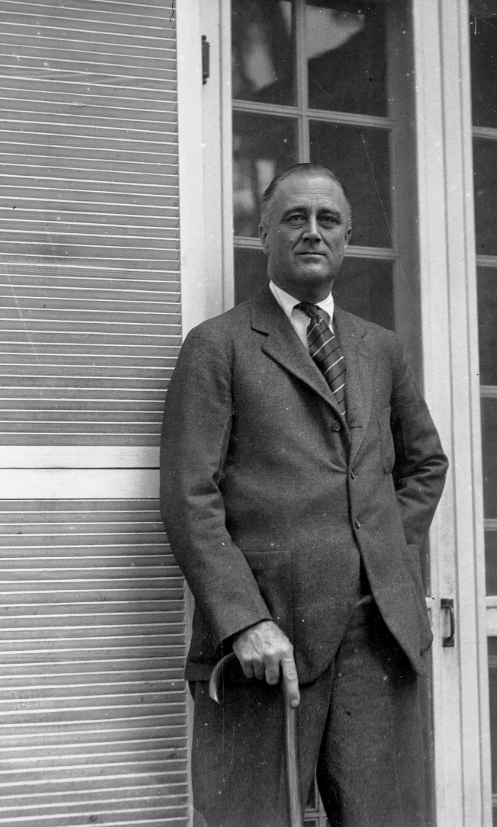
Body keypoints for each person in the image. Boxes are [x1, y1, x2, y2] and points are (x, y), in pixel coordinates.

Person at [160, 163, 448, 827]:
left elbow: (426, 463)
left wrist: (378, 554)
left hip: (377, 638)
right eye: (295, 218)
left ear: (347, 237)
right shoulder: (219, 346)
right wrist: (244, 621)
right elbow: (188, 497)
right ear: (263, 233)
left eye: (328, 219)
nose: (312, 231)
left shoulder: (380, 349)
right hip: (267, 644)